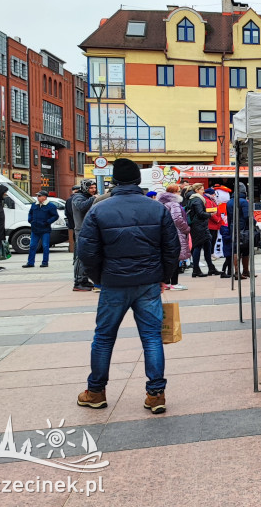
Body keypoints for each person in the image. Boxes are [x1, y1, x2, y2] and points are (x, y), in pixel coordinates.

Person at [77, 158, 180, 414]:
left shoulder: (100, 209)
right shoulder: (156, 208)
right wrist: (165, 277)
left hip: (113, 282)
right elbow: (172, 247)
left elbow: (86, 251)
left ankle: (96, 391)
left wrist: (98, 277)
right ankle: (156, 394)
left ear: (115, 180)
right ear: (137, 180)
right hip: (148, 282)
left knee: (103, 337)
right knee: (152, 337)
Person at [157, 185, 190, 290]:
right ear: (174, 192)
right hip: (176, 233)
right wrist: (186, 229)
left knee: (167, 258)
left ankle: (166, 282)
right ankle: (174, 283)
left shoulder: (161, 203)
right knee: (176, 258)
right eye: (179, 191)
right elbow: (177, 219)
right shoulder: (174, 203)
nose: (180, 193)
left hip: (164, 233)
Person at [187, 183, 219, 277]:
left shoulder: (195, 199)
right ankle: (196, 269)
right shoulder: (197, 200)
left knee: (207, 245)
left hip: (200, 226)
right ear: (196, 190)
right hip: (199, 227)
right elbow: (200, 213)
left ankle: (211, 268)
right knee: (197, 246)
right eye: (201, 189)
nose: (203, 191)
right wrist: (210, 214)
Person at [72, 180, 98, 291]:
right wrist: (94, 199)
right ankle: (78, 282)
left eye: (94, 187)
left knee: (87, 256)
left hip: (88, 230)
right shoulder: (78, 197)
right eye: (91, 188)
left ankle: (84, 280)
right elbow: (81, 207)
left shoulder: (87, 197)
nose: (93, 190)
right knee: (80, 256)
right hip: (81, 230)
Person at [23, 190, 59, 268]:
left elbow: (55, 216)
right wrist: (30, 220)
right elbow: (30, 213)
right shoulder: (34, 205)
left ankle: (45, 262)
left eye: (39, 196)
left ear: (44, 197)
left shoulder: (51, 206)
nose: (37, 197)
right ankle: (30, 263)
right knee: (32, 246)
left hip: (45, 229)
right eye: (37, 196)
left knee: (45, 246)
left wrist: (47, 222)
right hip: (35, 229)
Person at [232, 182, 257, 278]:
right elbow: (248, 216)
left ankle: (237, 272)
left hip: (233, 228)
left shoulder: (230, 201)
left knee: (235, 250)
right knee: (246, 250)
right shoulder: (243, 202)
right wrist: (254, 223)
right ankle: (245, 271)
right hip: (244, 230)